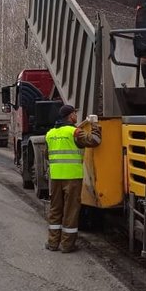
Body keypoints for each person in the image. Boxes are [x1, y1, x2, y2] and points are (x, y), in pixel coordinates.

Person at [44, 104, 101, 253]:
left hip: (55, 177)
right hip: (72, 178)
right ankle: (67, 245)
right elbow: (95, 140)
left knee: (55, 210)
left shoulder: (50, 134)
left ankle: (52, 243)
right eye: (75, 113)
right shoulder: (75, 132)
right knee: (71, 211)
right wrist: (95, 124)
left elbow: (47, 155)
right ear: (70, 116)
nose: (76, 115)